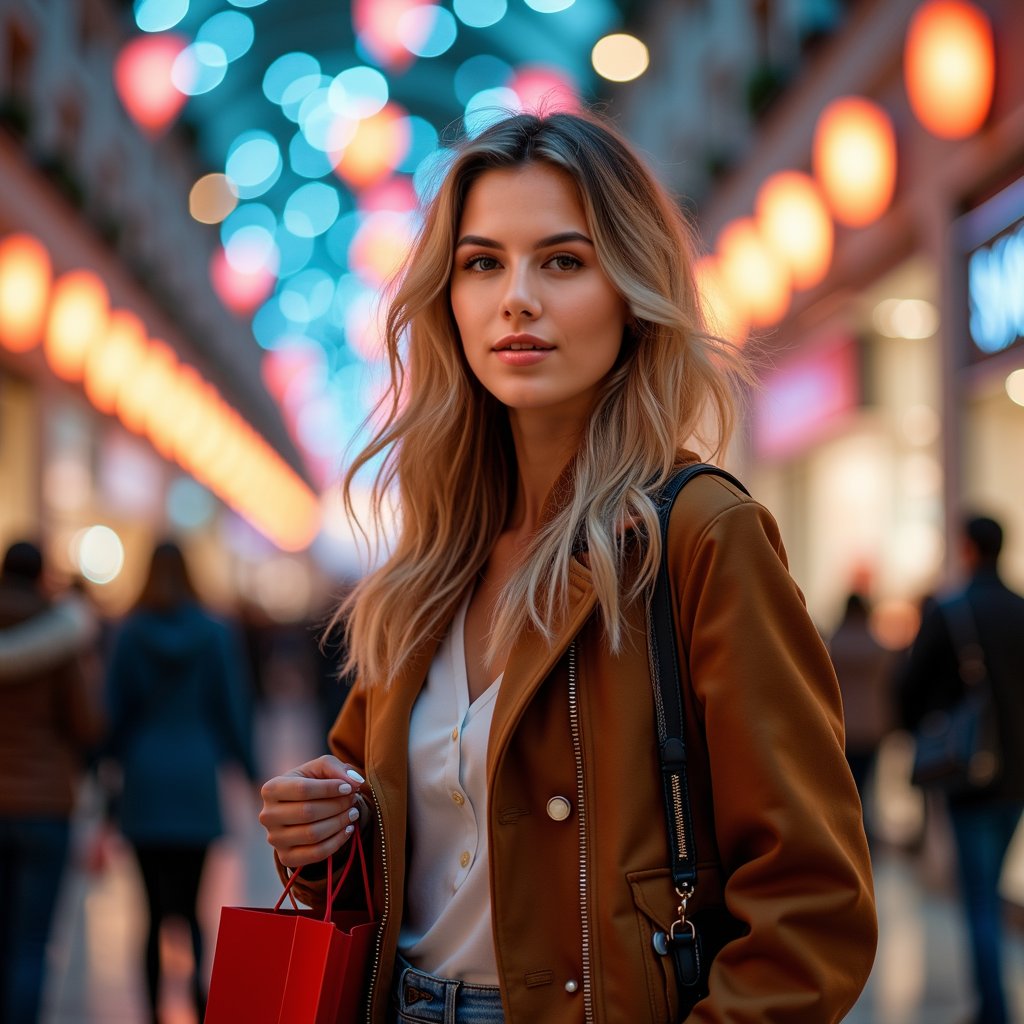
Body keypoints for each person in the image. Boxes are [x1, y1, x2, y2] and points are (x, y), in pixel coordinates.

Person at [259, 110, 877, 1024]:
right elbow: (384, 830)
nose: (517, 298)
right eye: (482, 263)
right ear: (449, 300)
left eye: (563, 260)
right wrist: (314, 828)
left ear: (631, 291)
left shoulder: (698, 533)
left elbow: (813, 902)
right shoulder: (432, 562)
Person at [104, 540, 256, 1024]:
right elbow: (231, 709)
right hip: (195, 778)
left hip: (145, 781)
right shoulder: (214, 634)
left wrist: (104, 769)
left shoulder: (130, 633)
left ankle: (151, 1010)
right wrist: (251, 771)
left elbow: (113, 715)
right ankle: (195, 998)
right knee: (191, 908)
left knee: (150, 912)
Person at [900, 516, 1024, 1024]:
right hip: (1018, 775)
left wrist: (926, 728)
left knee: (978, 897)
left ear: (968, 548)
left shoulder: (950, 611)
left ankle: (992, 1010)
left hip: (969, 774)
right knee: (989, 885)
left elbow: (909, 689)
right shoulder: (1020, 610)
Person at [0, 541, 104, 1024]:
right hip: (44, 804)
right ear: (43, 576)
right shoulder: (60, 637)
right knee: (32, 941)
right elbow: (85, 724)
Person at [827, 592, 895, 814]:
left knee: (842, 787)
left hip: (840, 723)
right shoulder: (877, 647)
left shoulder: (832, 645)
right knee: (865, 787)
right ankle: (863, 834)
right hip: (870, 724)